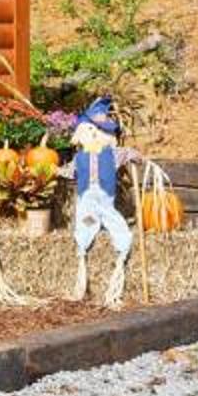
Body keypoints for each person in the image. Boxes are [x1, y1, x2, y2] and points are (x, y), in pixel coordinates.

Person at [67, 94, 132, 306]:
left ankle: (122, 253)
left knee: (114, 220)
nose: (94, 135)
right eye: (90, 130)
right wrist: (49, 171)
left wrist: (138, 157)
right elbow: (69, 172)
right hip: (86, 196)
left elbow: (129, 153)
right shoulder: (79, 158)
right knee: (85, 219)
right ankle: (82, 253)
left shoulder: (112, 154)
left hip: (105, 197)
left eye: (99, 131)